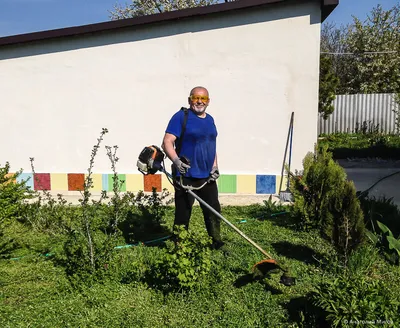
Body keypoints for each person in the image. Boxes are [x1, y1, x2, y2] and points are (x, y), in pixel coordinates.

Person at [162, 86, 224, 249]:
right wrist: (176, 161)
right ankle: (179, 245)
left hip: (206, 177)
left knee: (213, 210)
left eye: (203, 99)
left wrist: (215, 166)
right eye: (196, 97)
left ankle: (216, 242)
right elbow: (167, 142)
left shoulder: (210, 120)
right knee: (183, 213)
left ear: (208, 101)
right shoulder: (180, 117)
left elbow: (211, 145)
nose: (199, 101)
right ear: (190, 99)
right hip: (186, 176)